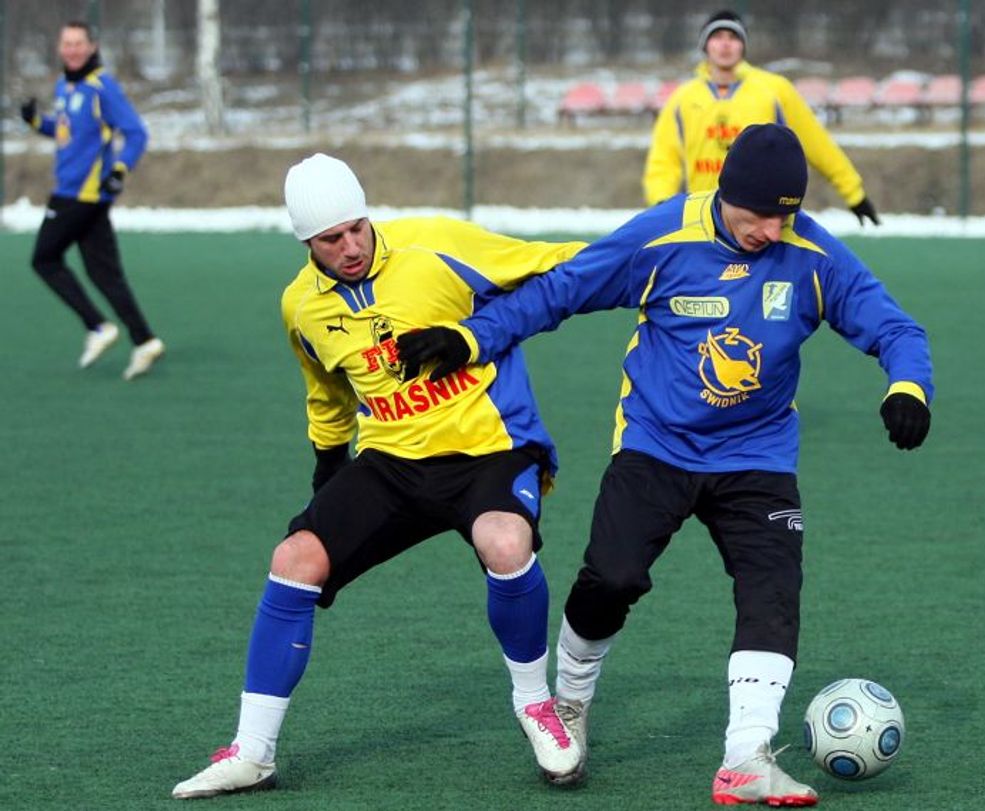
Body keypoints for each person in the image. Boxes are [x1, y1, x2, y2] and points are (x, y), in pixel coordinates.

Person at [399, 124, 933, 807]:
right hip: (656, 444)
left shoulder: (810, 252)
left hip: (757, 455)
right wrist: (473, 336)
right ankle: (571, 702)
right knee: (611, 578)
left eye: (784, 215)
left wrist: (907, 385)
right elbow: (558, 292)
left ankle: (746, 755)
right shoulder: (662, 237)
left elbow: (895, 327)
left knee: (772, 592)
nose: (770, 229)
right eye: (757, 215)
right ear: (724, 194)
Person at [171, 154, 587, 799]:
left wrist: (474, 331)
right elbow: (326, 395)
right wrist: (328, 473)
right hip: (391, 462)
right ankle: (252, 751)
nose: (349, 248)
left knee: (506, 543)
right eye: (330, 240)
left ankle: (538, 706)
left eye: (356, 229)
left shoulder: (439, 245)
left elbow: (561, 261)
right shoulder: (301, 308)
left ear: (368, 217)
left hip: (491, 449)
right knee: (295, 558)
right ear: (306, 243)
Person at [19, 20, 165, 380]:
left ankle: (98, 326)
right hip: (76, 193)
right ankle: (144, 339)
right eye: (66, 43)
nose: (72, 49)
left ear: (92, 46)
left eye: (78, 43)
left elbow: (135, 133)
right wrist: (39, 122)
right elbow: (67, 130)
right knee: (105, 274)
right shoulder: (66, 85)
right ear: (59, 47)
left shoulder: (103, 87)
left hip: (80, 195)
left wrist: (119, 169)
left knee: (45, 258)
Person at [643, 10, 880, 227]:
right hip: (704, 221)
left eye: (733, 37)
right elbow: (664, 162)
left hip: (766, 218)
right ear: (705, 45)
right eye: (717, 36)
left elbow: (816, 143)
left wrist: (853, 193)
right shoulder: (682, 99)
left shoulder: (774, 90)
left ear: (743, 46)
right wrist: (662, 207)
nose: (725, 44)